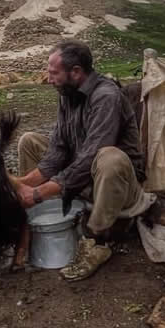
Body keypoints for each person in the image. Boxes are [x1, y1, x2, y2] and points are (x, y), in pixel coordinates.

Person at [13, 40, 155, 281]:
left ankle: (97, 239)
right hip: (82, 175)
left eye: (54, 73)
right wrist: (24, 184)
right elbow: (58, 148)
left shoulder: (106, 97)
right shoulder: (67, 94)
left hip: (117, 186)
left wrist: (40, 192)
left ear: (76, 72)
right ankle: (32, 217)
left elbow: (91, 156)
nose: (49, 80)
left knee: (109, 157)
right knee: (29, 141)